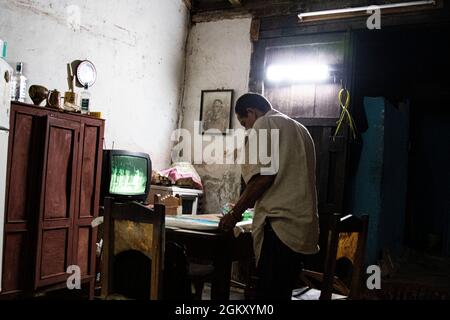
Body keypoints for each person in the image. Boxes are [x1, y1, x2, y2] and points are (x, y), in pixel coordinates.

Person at [218, 92, 319, 300]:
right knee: (282, 291)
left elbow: (263, 177)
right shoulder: (301, 129)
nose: (247, 128)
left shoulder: (263, 124)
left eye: (244, 122)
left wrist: (234, 214)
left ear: (251, 112)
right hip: (301, 227)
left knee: (269, 295)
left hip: (279, 226)